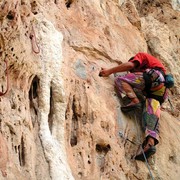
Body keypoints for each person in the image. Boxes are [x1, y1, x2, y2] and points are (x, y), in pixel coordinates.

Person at [99, 52, 168, 161]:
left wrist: (109, 71)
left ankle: (134, 101)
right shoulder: (156, 66)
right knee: (151, 115)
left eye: (133, 72)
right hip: (161, 91)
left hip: (154, 77)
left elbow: (130, 65)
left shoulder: (140, 56)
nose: (132, 73)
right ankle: (150, 144)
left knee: (120, 80)